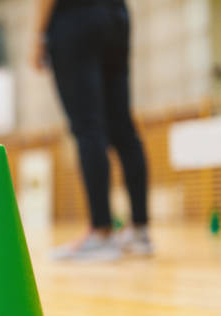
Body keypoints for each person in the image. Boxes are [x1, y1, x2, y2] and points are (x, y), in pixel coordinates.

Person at [31, 0, 152, 260]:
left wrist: (39, 35)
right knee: (122, 126)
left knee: (88, 127)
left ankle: (101, 233)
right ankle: (140, 232)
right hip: (115, 15)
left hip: (74, 18)